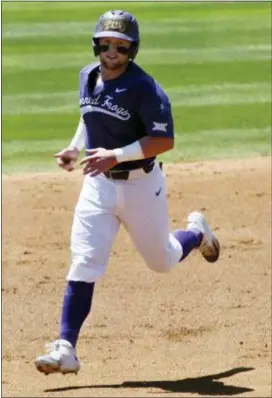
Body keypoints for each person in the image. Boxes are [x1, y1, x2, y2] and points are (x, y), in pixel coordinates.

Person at [35, 10, 220, 376]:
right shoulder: (87, 76)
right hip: (98, 186)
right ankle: (66, 348)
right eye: (106, 43)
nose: (112, 50)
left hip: (141, 185)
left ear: (132, 48)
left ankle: (197, 233)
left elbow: (164, 140)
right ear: (96, 45)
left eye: (121, 45)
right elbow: (91, 116)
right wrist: (75, 147)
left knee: (162, 261)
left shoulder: (146, 88)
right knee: (84, 262)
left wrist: (115, 155)